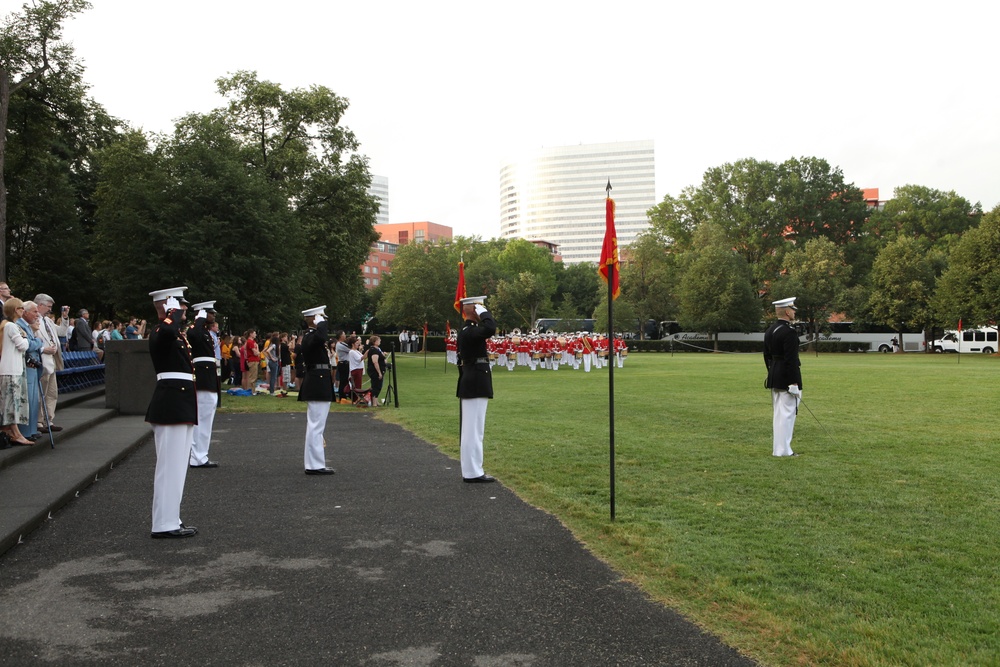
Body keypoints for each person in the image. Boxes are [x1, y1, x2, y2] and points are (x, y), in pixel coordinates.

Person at [146, 286, 199, 538]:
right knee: (170, 466)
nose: (184, 311)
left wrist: (173, 313)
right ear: (167, 306)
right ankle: (165, 524)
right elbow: (167, 328)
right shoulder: (161, 330)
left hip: (180, 403)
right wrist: (171, 312)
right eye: (179, 306)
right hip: (171, 404)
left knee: (177, 467)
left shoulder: (176, 334)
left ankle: (170, 518)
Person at [456, 295, 497, 483]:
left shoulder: (468, 330)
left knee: (473, 430)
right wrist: (484, 313)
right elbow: (490, 328)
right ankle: (472, 472)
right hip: (475, 382)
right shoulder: (468, 330)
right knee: (473, 430)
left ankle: (472, 470)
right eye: (480, 307)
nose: (483, 310)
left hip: (473, 381)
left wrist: (480, 311)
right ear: (473, 310)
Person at [297, 306, 335, 475]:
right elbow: (321, 337)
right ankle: (314, 465)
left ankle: (315, 463)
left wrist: (320, 324)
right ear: (314, 320)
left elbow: (321, 338)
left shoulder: (312, 337)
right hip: (317, 382)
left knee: (317, 425)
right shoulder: (311, 337)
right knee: (316, 426)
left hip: (319, 380)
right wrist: (321, 324)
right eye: (320, 318)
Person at [763, 296, 802, 458]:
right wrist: (793, 382)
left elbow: (767, 356)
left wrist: (772, 372)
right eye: (792, 310)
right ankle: (784, 450)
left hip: (774, 374)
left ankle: (779, 449)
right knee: (786, 415)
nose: (794, 312)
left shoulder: (770, 330)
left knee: (779, 414)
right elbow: (791, 360)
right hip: (787, 378)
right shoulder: (789, 332)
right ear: (787, 312)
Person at [187, 301, 221, 469]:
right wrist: (199, 319)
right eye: (210, 313)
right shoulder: (196, 330)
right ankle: (197, 456)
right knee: (202, 419)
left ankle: (201, 455)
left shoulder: (206, 332)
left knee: (206, 419)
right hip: (202, 375)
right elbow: (192, 334)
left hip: (209, 375)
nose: (213, 316)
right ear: (202, 314)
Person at [17, 301, 55, 441]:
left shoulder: (27, 326)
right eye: (34, 311)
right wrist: (38, 342)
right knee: (29, 400)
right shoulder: (19, 326)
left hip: (33, 367)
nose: (36, 314)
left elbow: (33, 343)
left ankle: (31, 429)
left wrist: (36, 342)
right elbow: (29, 345)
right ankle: (26, 431)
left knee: (34, 400)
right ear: (24, 312)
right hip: (27, 367)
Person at [0, 299, 34, 445]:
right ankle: (16, 433)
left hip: (14, 368)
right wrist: (26, 338)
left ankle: (12, 432)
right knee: (11, 403)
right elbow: (22, 345)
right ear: (16, 309)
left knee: (12, 402)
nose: (23, 310)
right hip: (11, 369)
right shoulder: (12, 327)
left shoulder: (8, 326)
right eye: (21, 308)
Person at [34, 295, 65, 434]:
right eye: (48, 307)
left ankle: (49, 419)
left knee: (52, 393)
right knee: (42, 392)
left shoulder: (47, 321)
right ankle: (39, 421)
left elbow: (62, 332)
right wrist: (43, 349)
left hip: (52, 360)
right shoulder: (33, 321)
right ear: (40, 305)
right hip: (42, 360)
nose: (49, 310)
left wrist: (64, 317)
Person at [366, 335, 387, 404]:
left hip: (378, 370)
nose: (380, 341)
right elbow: (375, 362)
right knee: (376, 385)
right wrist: (379, 372)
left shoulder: (376, 349)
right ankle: (374, 402)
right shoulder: (374, 350)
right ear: (375, 342)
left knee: (378, 385)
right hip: (375, 371)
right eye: (378, 340)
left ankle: (376, 401)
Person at [334, 330, 351, 403]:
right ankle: (342, 397)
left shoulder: (342, 343)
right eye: (344, 334)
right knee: (343, 381)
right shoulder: (340, 345)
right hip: (343, 364)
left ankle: (345, 395)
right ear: (340, 336)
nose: (345, 336)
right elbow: (350, 350)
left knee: (345, 380)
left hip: (345, 363)